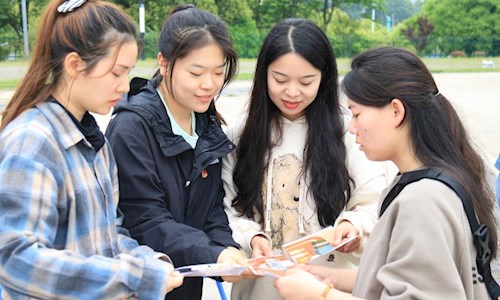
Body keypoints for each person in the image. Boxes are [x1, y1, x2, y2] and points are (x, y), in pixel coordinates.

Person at [273, 46, 497, 300]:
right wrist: (332, 278)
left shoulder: (422, 200)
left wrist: (318, 294)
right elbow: (411, 278)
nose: (352, 128)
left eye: (357, 114)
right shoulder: (435, 179)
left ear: (396, 111)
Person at [0, 0, 183, 298]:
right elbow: (14, 258)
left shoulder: (95, 142)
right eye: (116, 73)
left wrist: (148, 262)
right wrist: (131, 278)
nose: (125, 86)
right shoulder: (32, 141)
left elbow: (109, 235)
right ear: (74, 65)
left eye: (128, 72)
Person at [222, 18, 387, 299]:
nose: (292, 92)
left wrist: (353, 226)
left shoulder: (349, 132)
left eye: (306, 81)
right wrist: (252, 237)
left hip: (328, 286)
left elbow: (374, 202)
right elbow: (229, 206)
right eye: (280, 79)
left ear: (324, 78)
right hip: (260, 289)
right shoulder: (241, 134)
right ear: (263, 75)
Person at [105, 4, 246, 300]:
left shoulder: (206, 123)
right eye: (196, 73)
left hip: (187, 287)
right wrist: (212, 253)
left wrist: (226, 249)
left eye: (218, 73)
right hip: (143, 287)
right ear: (165, 64)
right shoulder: (131, 129)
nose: (209, 85)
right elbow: (144, 221)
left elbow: (211, 210)